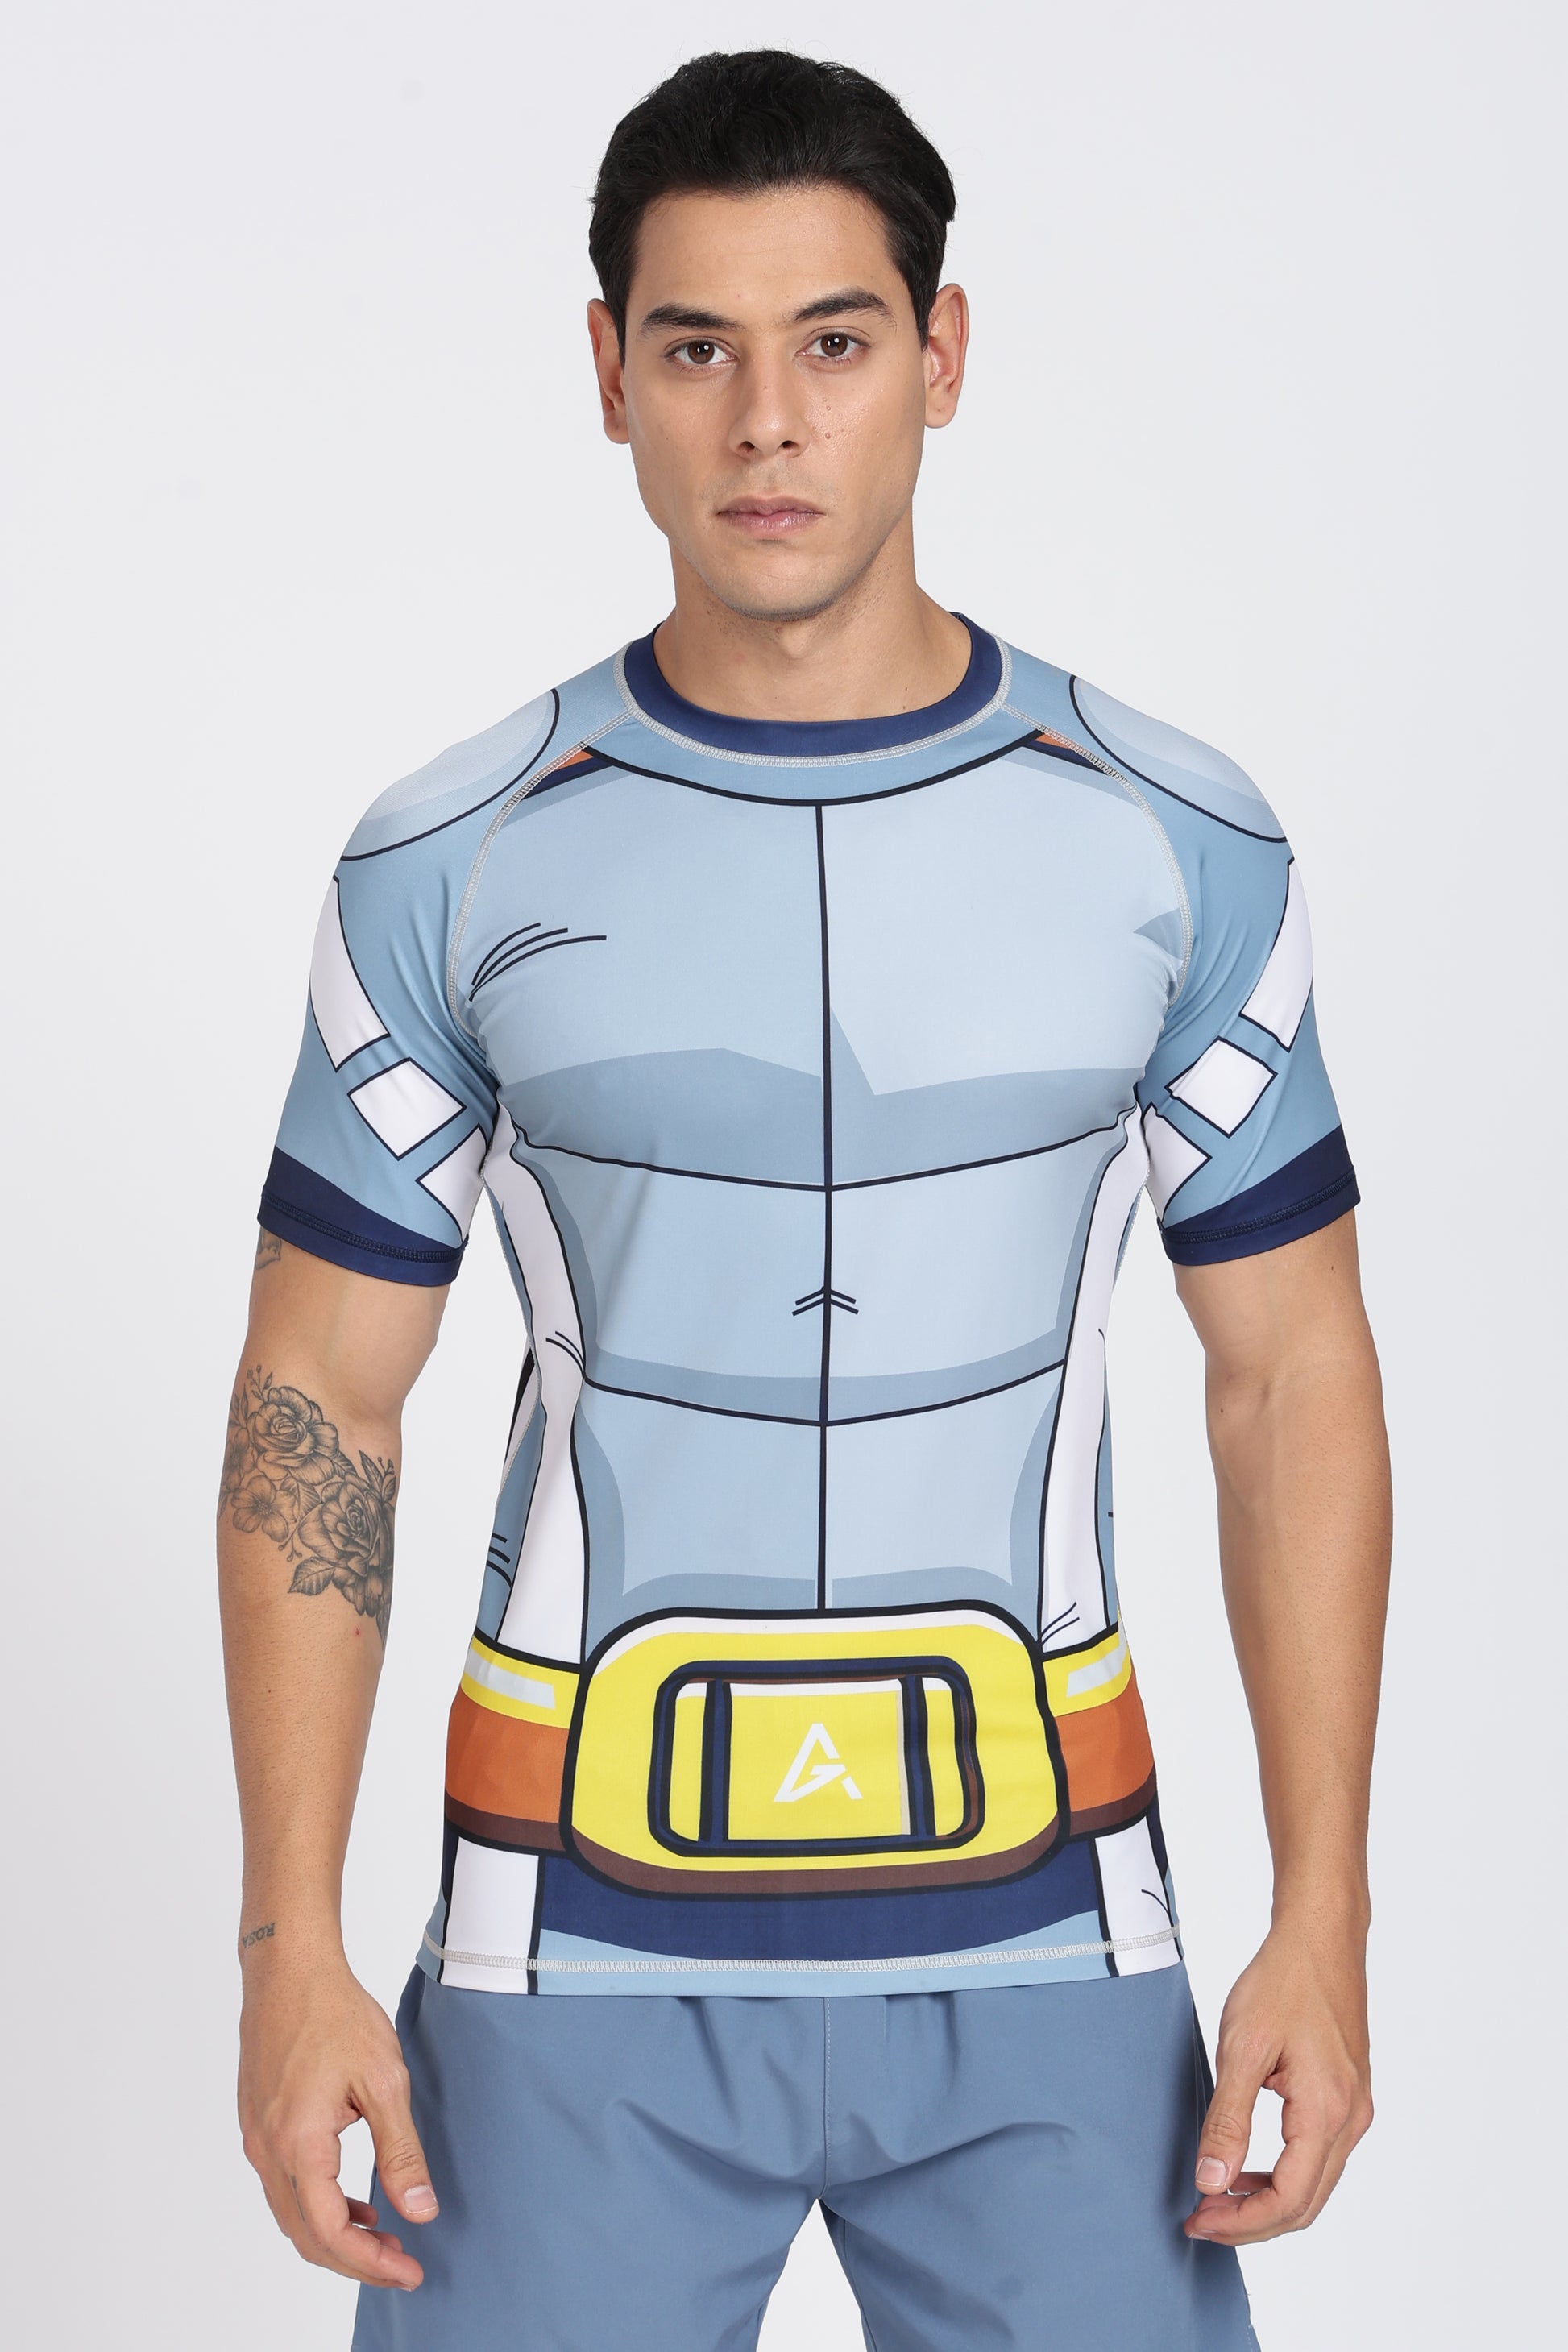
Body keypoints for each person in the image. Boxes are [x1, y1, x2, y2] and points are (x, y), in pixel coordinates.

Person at [218, 48, 1390, 2352]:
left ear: (940, 356)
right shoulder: (448, 859)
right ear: (608, 377)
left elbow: (1291, 1378)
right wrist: (288, 1952)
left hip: (1058, 1946)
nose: (767, 423)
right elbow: (315, 1406)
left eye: (833, 342)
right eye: (697, 350)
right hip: (562, 1952)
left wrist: (1323, 1913)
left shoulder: (1176, 842)